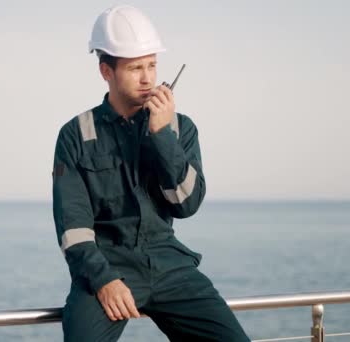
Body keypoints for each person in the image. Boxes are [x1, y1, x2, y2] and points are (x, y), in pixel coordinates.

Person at [52, 5, 250, 342]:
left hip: (169, 264)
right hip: (108, 265)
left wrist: (162, 136)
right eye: (135, 68)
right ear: (106, 71)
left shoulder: (179, 127)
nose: (147, 78)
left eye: (152, 65)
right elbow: (73, 228)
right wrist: (103, 281)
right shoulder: (76, 134)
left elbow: (186, 205)